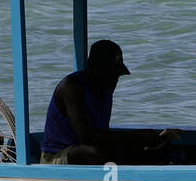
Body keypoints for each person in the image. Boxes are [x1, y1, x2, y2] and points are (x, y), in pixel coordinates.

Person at [39, 40, 180, 164]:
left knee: (157, 150)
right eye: (111, 73)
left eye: (117, 74)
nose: (114, 79)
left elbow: (101, 135)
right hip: (59, 155)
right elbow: (86, 136)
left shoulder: (106, 85)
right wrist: (136, 136)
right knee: (93, 152)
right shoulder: (72, 87)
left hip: (95, 146)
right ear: (93, 68)